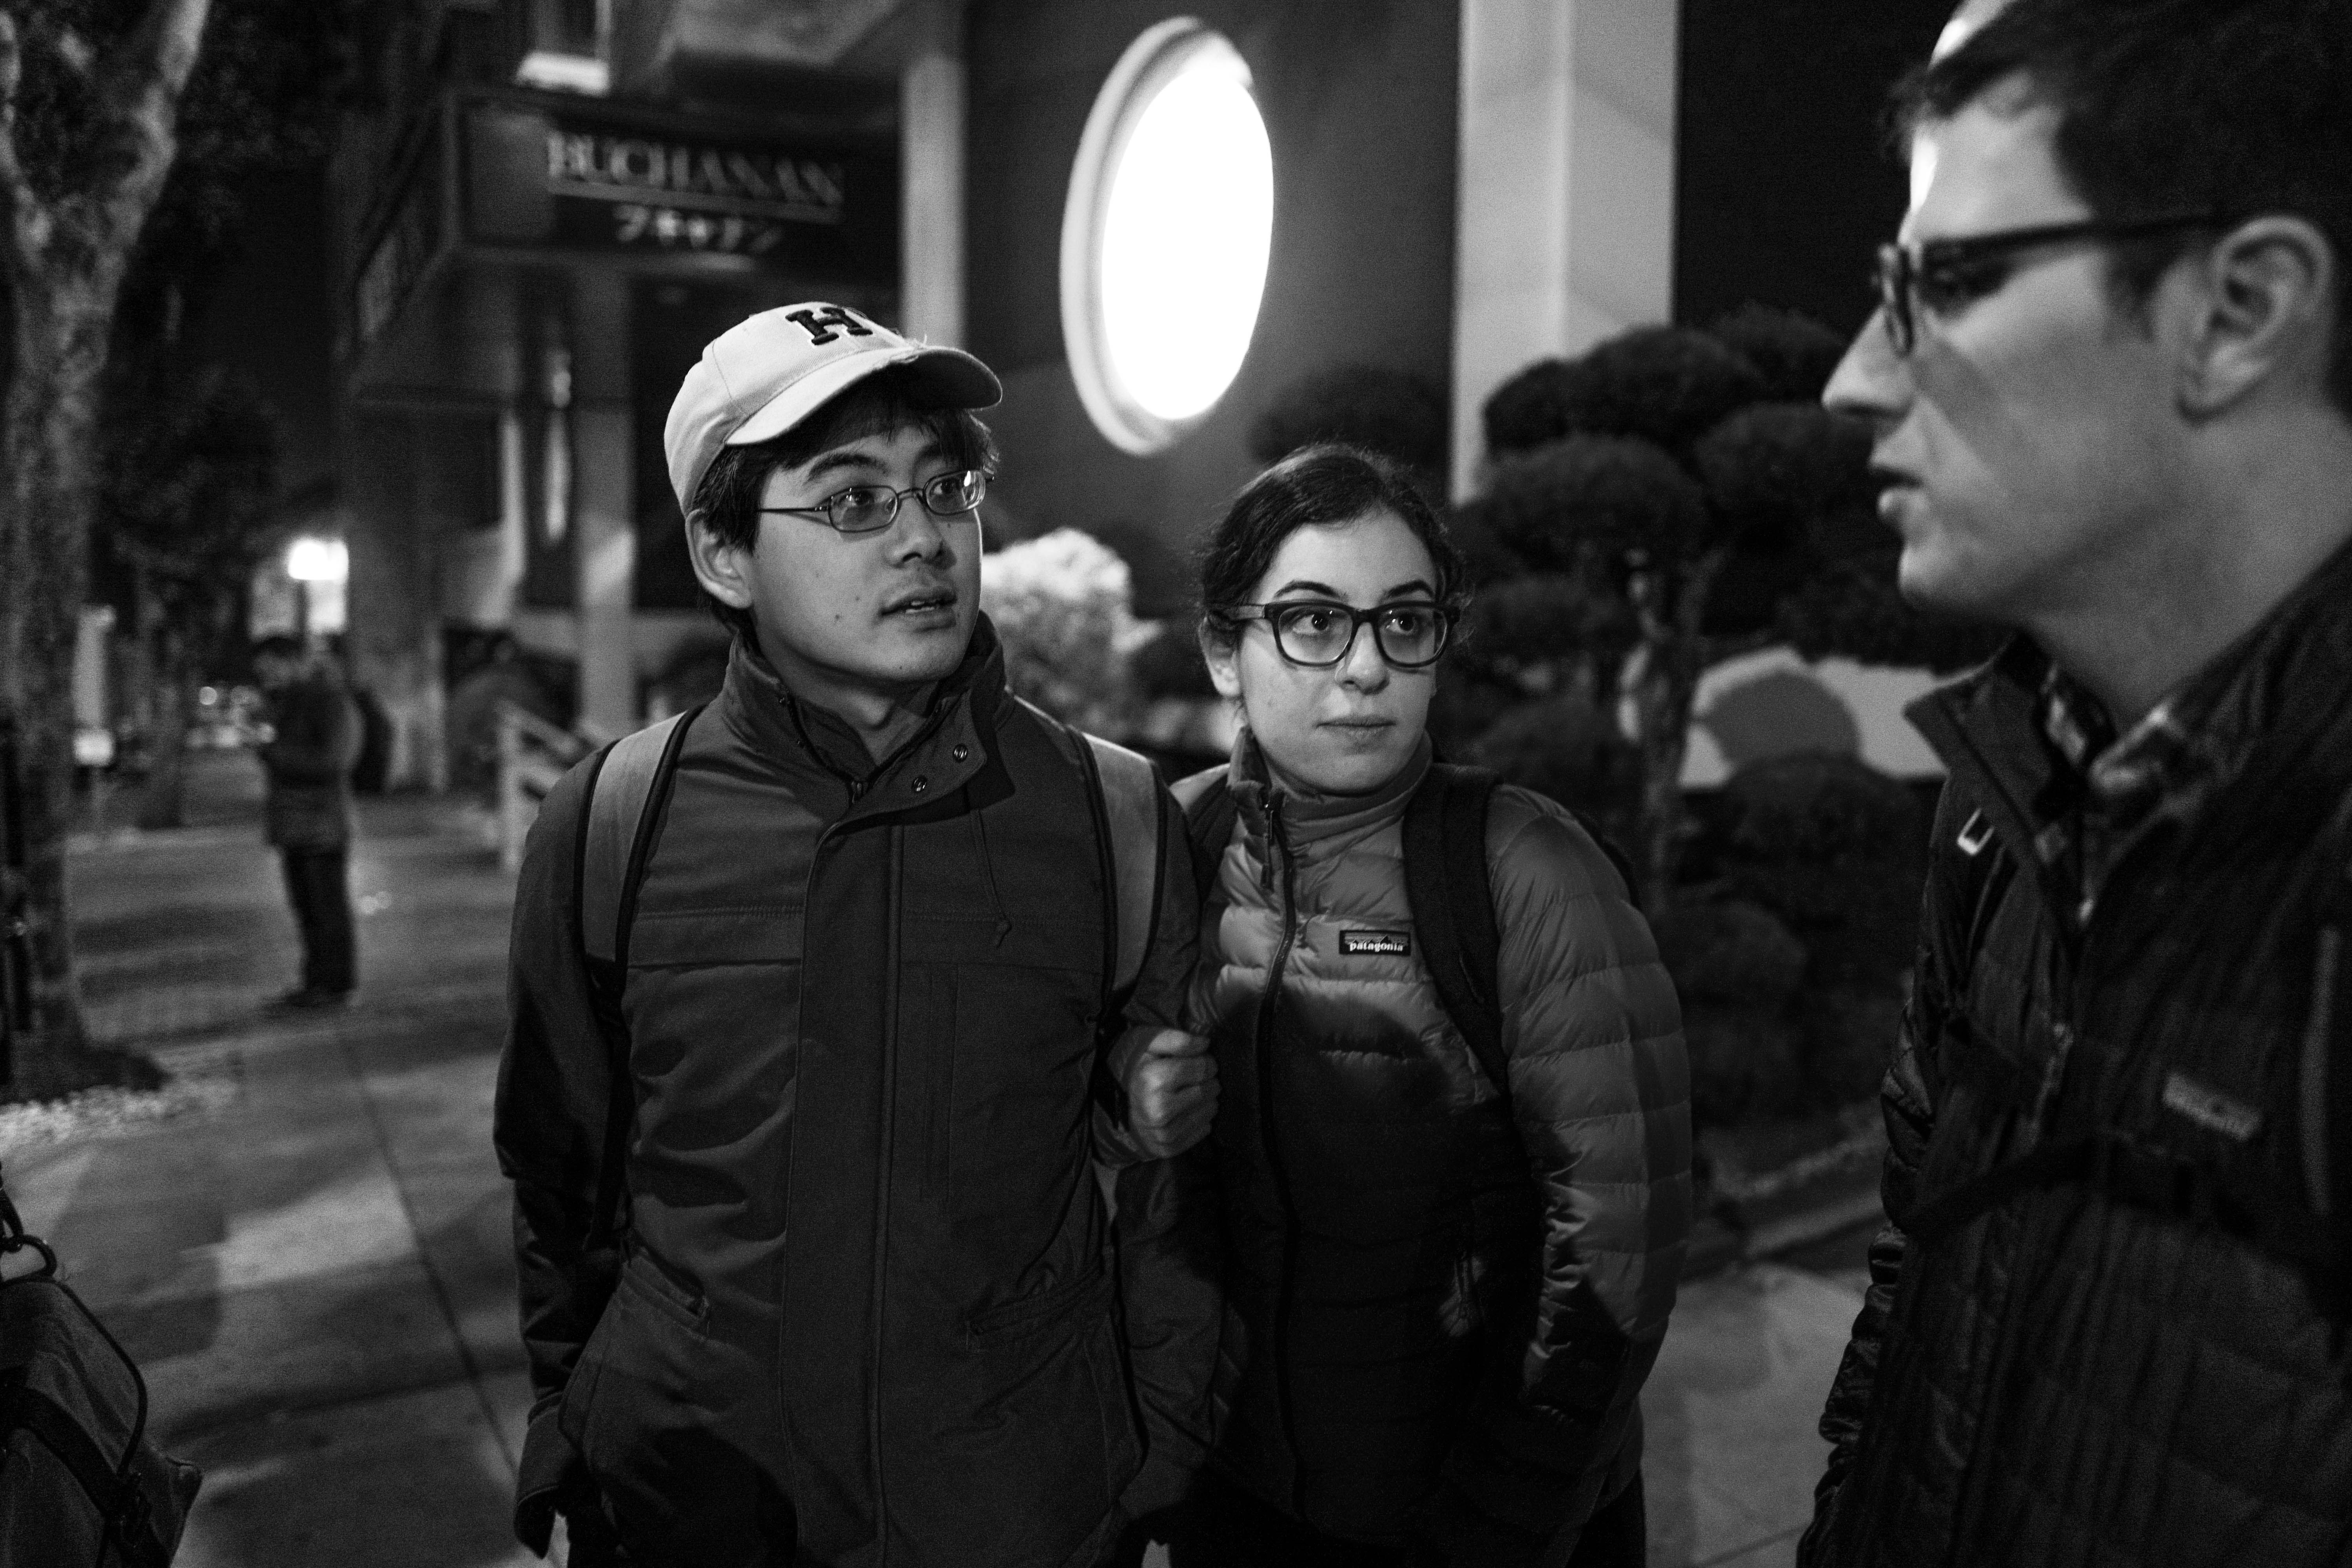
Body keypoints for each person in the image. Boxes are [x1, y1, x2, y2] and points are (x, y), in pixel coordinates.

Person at [494, 302, 1213, 1568]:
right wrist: (575, 1425)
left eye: (945, 488)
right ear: (724, 553)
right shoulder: (613, 823)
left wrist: (1150, 1461)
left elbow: (1163, 1188)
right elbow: (561, 1178)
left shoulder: (1112, 817)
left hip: (1012, 1513)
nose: (924, 538)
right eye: (853, 502)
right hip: (691, 1505)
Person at [1802, 1, 2352, 1563]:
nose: (1855, 378)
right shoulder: (2013, 783)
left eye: (1953, 282)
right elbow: (1915, 1267)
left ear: (2237, 310)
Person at [1155, 445, 1691, 1567]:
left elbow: (1615, 1250)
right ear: (1221, 649)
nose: (1366, 668)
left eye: (1404, 621)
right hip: (1237, 1493)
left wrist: (1499, 1524)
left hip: (1468, 1516)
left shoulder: (1525, 869)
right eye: (1312, 621)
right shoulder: (1172, 848)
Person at [248, 633, 359, 1008]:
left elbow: (334, 760)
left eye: (272, 670)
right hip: (297, 826)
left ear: (295, 662)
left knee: (326, 910)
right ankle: (316, 983)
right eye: (262, 673)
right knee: (307, 910)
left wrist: (273, 754)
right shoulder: (289, 702)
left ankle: (334, 986)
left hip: (321, 826)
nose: (267, 679)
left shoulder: (327, 700)